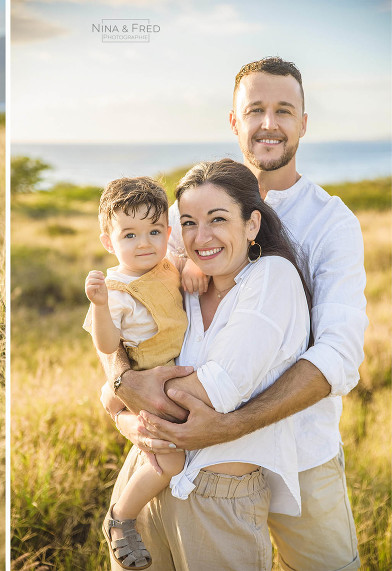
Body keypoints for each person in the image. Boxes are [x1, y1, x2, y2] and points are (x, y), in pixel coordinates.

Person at [103, 58, 366, 570]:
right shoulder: (191, 216)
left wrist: (232, 425)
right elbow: (129, 308)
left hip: (300, 449)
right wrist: (119, 383)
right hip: (199, 458)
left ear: (304, 123)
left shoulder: (331, 222)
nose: (269, 124)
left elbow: (339, 352)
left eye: (283, 111)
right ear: (234, 121)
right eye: (256, 110)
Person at [102, 159, 311, 569]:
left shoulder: (272, 278)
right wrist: (121, 406)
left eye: (217, 219)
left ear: (251, 224)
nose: (202, 237)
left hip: (216, 500)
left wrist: (117, 396)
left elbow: (215, 391)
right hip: (145, 475)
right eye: (189, 223)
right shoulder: (183, 287)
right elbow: (127, 348)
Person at [83, 177, 187, 569]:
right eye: (130, 234)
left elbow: (181, 275)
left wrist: (190, 267)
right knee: (171, 461)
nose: (144, 242)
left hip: (171, 375)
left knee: (158, 454)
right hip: (147, 379)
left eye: (154, 231)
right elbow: (109, 345)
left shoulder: (167, 265)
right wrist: (100, 305)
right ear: (109, 241)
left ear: (167, 232)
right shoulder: (116, 288)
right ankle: (121, 517)